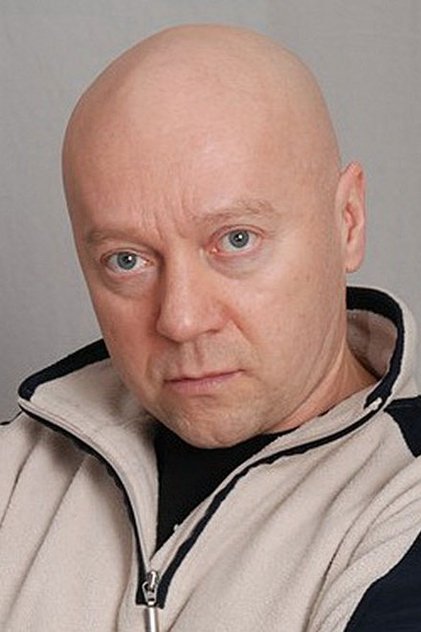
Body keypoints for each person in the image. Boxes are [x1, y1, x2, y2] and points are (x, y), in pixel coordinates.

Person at [1, 24, 420, 632]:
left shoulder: (403, 500)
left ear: (347, 222)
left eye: (236, 240)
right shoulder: (17, 474)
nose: (181, 319)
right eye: (127, 260)